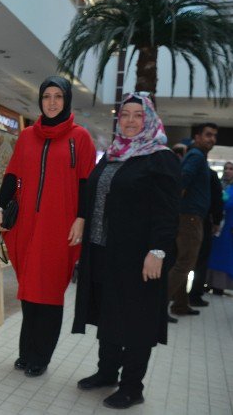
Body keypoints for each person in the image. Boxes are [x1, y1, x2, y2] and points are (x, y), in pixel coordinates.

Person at [72, 92, 180, 409]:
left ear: (149, 119)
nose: (130, 121)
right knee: (109, 313)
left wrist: (158, 251)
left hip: (139, 256)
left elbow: (168, 210)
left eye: (138, 115)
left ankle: (132, 386)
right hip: (105, 250)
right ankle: (107, 372)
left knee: (136, 319)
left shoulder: (160, 158)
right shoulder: (113, 155)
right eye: (125, 115)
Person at [0, 75, 96, 378]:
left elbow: (87, 183)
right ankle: (27, 352)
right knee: (29, 290)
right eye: (47, 96)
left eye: (58, 97)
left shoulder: (81, 138)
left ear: (66, 101)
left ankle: (41, 355)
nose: (52, 102)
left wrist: (81, 218)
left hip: (60, 229)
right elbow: (12, 176)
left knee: (49, 292)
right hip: (27, 226)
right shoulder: (27, 136)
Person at [167, 123, 218, 317]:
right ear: (197, 137)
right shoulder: (196, 156)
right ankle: (156, 307)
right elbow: (183, 179)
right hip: (190, 218)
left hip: (190, 216)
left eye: (214, 136)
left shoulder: (197, 155)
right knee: (185, 264)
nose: (211, 139)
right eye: (208, 135)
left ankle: (180, 304)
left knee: (182, 262)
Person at [187, 168, 223, 308]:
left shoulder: (185, 171)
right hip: (203, 220)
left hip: (185, 219)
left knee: (183, 260)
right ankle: (194, 295)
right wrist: (217, 221)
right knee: (200, 261)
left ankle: (177, 295)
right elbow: (217, 200)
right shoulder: (210, 175)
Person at [207, 164, 233, 294]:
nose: (227, 171)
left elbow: (227, 204)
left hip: (229, 229)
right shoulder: (220, 185)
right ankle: (210, 282)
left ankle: (219, 286)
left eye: (231, 169)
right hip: (217, 228)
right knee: (213, 255)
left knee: (225, 257)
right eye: (226, 169)